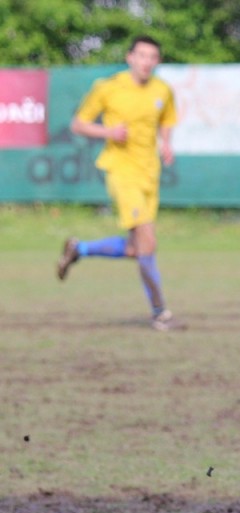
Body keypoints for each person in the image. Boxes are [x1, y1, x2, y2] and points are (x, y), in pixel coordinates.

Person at [57, 35, 183, 332]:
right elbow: (78, 124)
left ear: (158, 61)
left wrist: (167, 144)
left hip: (149, 175)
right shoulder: (108, 87)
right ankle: (160, 313)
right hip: (121, 172)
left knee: (137, 249)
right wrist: (109, 132)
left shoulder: (162, 90)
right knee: (147, 245)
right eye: (141, 55)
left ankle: (80, 249)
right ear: (129, 57)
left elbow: (167, 119)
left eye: (152, 57)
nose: (146, 62)